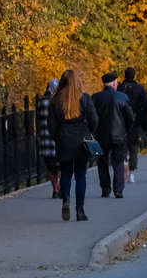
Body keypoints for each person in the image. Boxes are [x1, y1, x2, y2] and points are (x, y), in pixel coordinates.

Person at [48, 69, 99, 222]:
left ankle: (66, 201)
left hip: (63, 139)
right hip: (81, 140)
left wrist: (58, 136)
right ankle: (80, 210)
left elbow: (50, 125)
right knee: (81, 175)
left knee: (65, 173)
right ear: (77, 82)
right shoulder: (84, 99)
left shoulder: (55, 100)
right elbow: (94, 119)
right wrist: (89, 132)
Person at [92, 71, 135, 199]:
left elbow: (92, 117)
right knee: (118, 162)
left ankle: (105, 189)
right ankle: (118, 190)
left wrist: (94, 131)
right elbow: (130, 117)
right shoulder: (122, 97)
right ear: (115, 83)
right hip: (119, 134)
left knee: (103, 162)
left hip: (101, 136)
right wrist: (125, 129)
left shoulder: (96, 97)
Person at [118, 67, 147, 183]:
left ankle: (123, 167)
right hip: (135, 121)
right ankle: (131, 172)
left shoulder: (119, 88)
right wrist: (141, 116)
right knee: (133, 146)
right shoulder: (139, 88)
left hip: (120, 122)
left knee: (122, 146)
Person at [36, 78, 60, 199]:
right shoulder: (60, 102)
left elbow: (39, 120)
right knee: (60, 164)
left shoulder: (42, 102)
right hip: (58, 137)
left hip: (45, 137)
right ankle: (60, 186)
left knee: (50, 166)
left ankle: (55, 189)